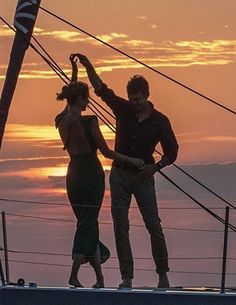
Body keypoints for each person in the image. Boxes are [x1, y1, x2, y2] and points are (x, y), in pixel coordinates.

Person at [75, 53, 179, 289]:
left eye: (138, 99)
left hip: (144, 176)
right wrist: (88, 65)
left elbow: (172, 151)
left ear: (147, 96)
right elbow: (101, 89)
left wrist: (154, 168)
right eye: (132, 99)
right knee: (121, 226)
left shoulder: (160, 121)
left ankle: (162, 275)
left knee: (154, 226)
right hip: (120, 174)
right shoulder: (122, 108)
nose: (134, 103)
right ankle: (127, 278)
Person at [55, 55, 145, 288]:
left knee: (87, 222)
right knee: (86, 223)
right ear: (82, 98)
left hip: (72, 174)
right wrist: (133, 160)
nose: (88, 103)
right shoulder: (90, 122)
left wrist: (75, 72)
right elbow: (107, 153)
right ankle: (74, 274)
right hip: (91, 174)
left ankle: (100, 279)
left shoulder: (61, 120)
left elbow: (70, 103)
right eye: (86, 99)